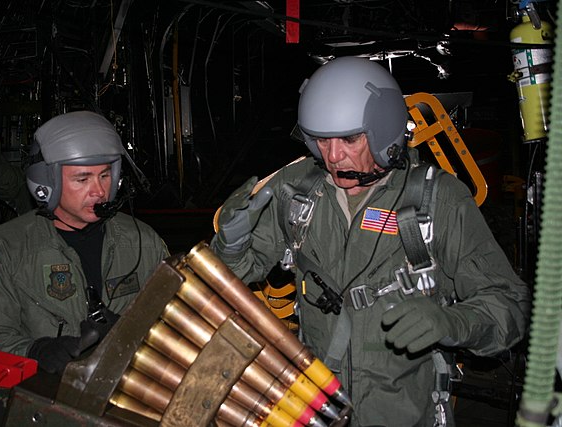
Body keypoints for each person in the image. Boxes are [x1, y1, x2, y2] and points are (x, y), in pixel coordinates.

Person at [210, 57, 531, 426]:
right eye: (321, 140)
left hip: (402, 415)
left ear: (385, 130)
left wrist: (454, 322)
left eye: (349, 139)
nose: (332, 157)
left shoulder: (436, 200)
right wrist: (230, 246)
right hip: (317, 411)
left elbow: (510, 306)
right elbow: (228, 282)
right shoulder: (296, 192)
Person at [0, 110, 169, 374]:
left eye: (105, 175)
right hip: (45, 399)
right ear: (46, 183)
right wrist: (34, 352)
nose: (99, 190)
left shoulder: (143, 241)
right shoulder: (8, 248)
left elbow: (176, 324)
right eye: (82, 179)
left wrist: (136, 331)